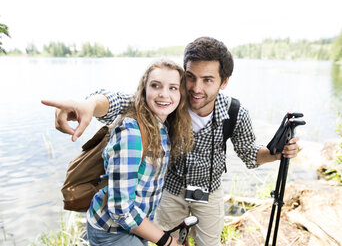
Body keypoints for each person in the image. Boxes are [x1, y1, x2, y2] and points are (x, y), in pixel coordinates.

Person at [44, 37, 299, 246]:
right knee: (159, 240)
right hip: (169, 192)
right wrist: (87, 104)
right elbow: (119, 102)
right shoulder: (170, 100)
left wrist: (277, 153)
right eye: (191, 77)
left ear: (224, 82)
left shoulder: (234, 112)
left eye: (208, 80)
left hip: (209, 192)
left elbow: (249, 154)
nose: (196, 88)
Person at [43, 59, 194, 246]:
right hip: (112, 231)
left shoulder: (164, 124)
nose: (164, 94)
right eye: (156, 85)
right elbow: (121, 209)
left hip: (135, 225)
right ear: (144, 89)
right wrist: (167, 241)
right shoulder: (131, 133)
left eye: (173, 88)